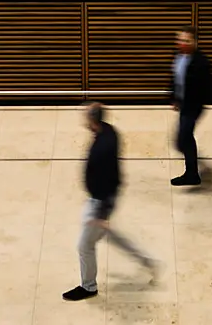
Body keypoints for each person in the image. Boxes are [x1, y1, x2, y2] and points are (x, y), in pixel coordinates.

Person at [62, 102, 156, 302]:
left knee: (84, 245)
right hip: (100, 200)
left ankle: (88, 287)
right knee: (109, 236)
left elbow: (108, 177)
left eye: (86, 116)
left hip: (100, 203)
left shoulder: (103, 146)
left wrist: (102, 213)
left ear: (92, 120)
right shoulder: (110, 132)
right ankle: (146, 261)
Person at [169, 26, 212, 186]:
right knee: (184, 140)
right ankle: (192, 171)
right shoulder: (177, 56)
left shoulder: (201, 62)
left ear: (194, 42)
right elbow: (176, 78)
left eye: (186, 40)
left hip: (194, 106)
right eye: (180, 40)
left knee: (183, 139)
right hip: (183, 104)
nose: (182, 43)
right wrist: (174, 97)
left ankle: (192, 174)